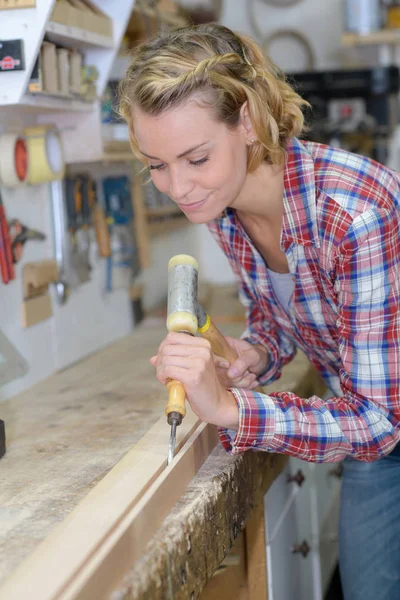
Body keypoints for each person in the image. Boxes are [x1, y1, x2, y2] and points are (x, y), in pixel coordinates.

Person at [118, 23, 400, 600]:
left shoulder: (354, 211)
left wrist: (231, 408)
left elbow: (377, 422)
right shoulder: (223, 206)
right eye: (157, 165)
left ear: (245, 121)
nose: (179, 186)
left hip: (380, 419)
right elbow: (281, 315)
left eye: (195, 157)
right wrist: (252, 353)